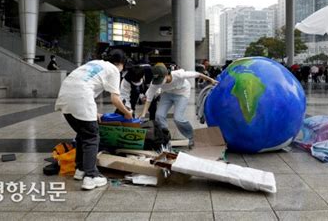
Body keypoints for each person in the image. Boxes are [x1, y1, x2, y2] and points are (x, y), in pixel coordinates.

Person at [55, 50, 133, 190]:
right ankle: (90, 177)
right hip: (81, 98)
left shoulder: (94, 63)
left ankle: (80, 169)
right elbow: (114, 99)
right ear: (121, 63)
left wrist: (93, 112)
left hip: (64, 98)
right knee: (92, 137)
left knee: (82, 134)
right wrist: (127, 113)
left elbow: (84, 84)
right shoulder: (114, 70)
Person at [139, 64, 218, 146]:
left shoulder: (178, 74)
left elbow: (197, 74)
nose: (159, 82)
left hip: (182, 93)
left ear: (167, 74)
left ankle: (192, 137)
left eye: (161, 79)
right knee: (159, 115)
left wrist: (211, 80)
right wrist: (143, 114)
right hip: (167, 94)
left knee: (178, 118)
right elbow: (149, 99)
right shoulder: (155, 83)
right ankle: (165, 138)